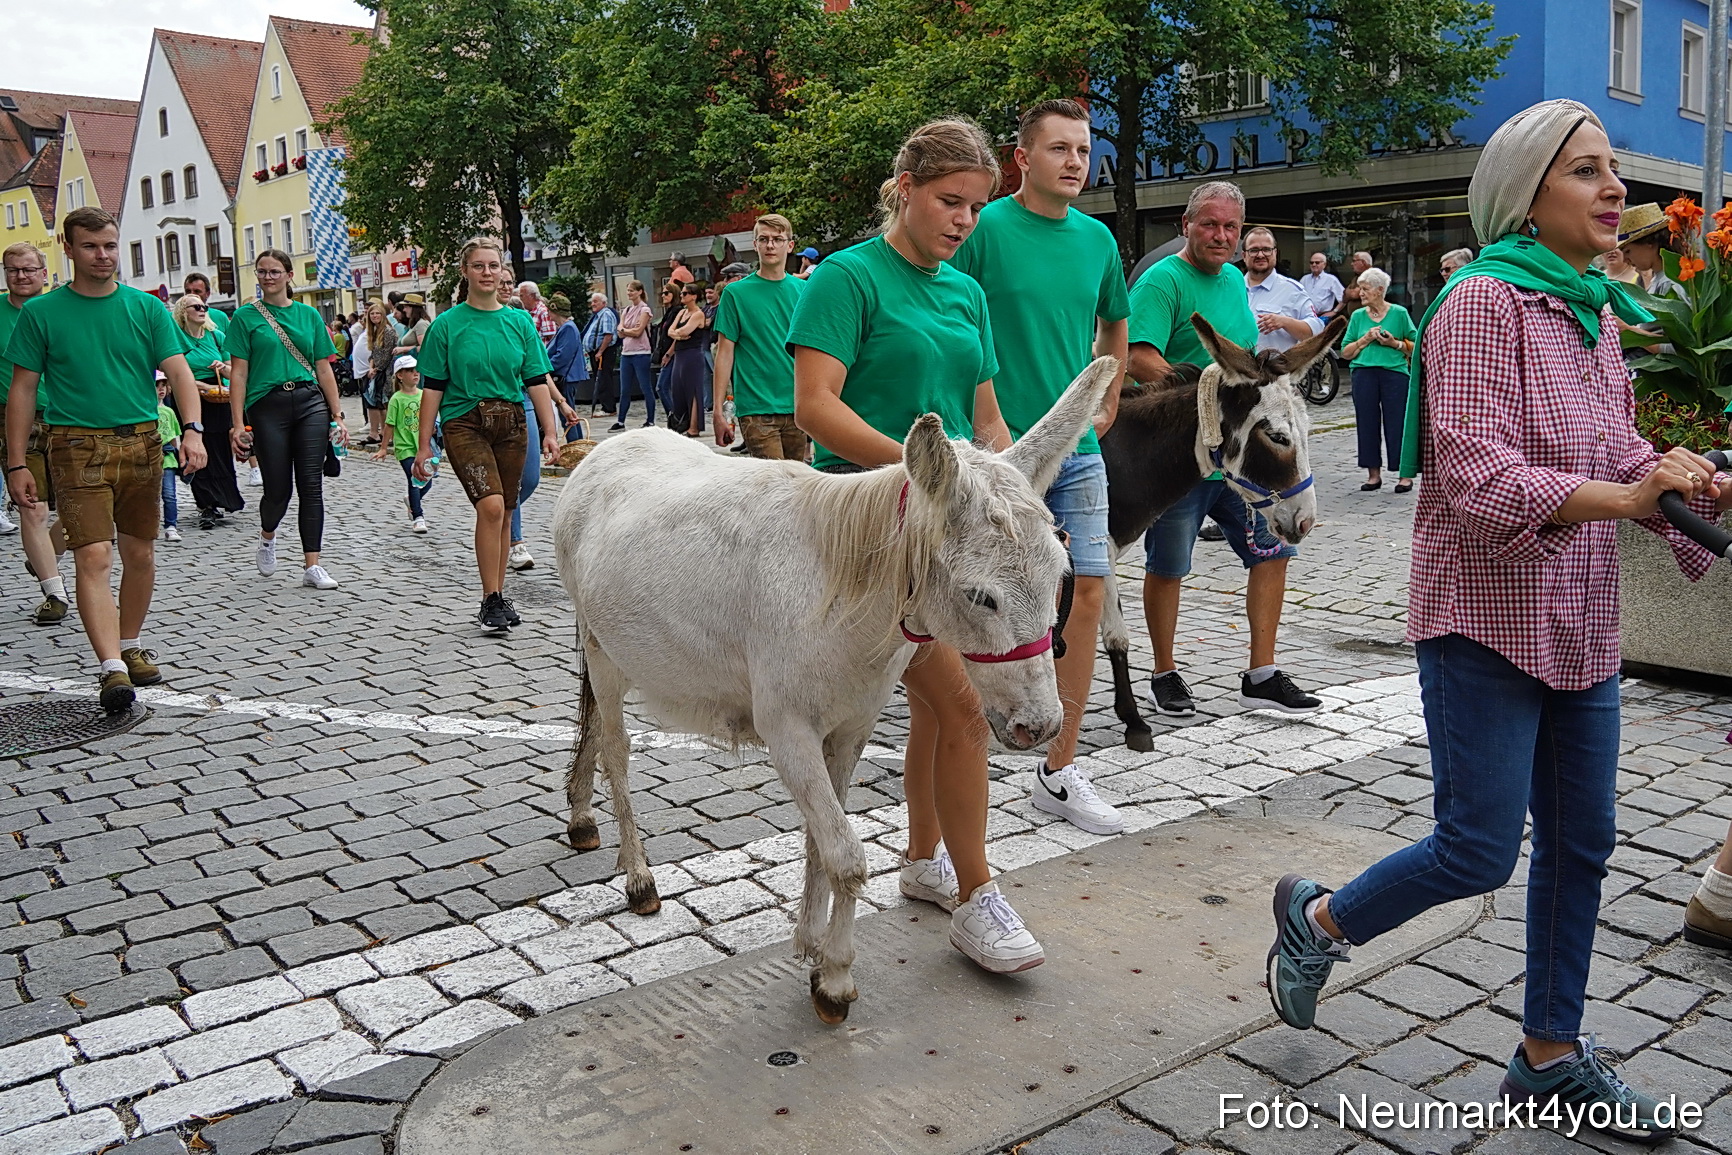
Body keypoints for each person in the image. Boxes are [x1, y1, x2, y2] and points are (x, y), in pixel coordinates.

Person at [1268, 100, 1732, 1141]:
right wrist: (1623, 497)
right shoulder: (1479, 304)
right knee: (1477, 848)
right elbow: (1475, 475)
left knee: (1583, 843)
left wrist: (1676, 476)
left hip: (1576, 616)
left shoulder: (1589, 308)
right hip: (1482, 617)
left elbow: (1611, 446)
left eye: (1613, 169)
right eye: (1587, 172)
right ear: (1526, 195)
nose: (1616, 189)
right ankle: (1318, 920)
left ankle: (1549, 1056)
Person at [790, 116, 1045, 974]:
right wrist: (922, 481)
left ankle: (923, 858)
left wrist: (999, 488)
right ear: (905, 189)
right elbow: (815, 408)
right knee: (966, 711)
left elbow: (984, 418)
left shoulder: (964, 292)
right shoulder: (847, 276)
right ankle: (976, 895)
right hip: (864, 529)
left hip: (952, 533)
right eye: (950, 201)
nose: (965, 220)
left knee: (939, 711)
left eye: (976, 206)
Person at [947, 98, 1130, 837]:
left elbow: (1114, 320)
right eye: (1059, 148)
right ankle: (966, 734)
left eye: (1083, 149)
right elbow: (948, 306)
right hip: (992, 454)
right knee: (976, 595)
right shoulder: (984, 228)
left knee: (1088, 589)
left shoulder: (1097, 241)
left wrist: (1109, 390)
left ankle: (1059, 766)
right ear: (1022, 157)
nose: (1076, 162)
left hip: (1077, 452)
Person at [1127, 181, 1321, 718]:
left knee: (1275, 552)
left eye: (1230, 227)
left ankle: (1261, 672)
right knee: (1169, 565)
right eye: (1209, 224)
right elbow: (1138, 358)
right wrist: (1207, 401)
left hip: (1241, 462)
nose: (1220, 235)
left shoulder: (1235, 279)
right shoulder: (1162, 281)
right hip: (1183, 461)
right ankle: (1165, 672)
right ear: (1185, 226)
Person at [5, 206, 207, 711]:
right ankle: (111, 666)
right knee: (94, 555)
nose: (103, 255)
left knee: (140, 555)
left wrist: (192, 430)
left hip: (140, 443)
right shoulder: (42, 313)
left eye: (111, 245)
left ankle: (131, 642)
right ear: (68, 250)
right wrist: (16, 463)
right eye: (92, 246)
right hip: (75, 446)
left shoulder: (146, 308)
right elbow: (23, 390)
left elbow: (180, 373)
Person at [413, 238, 560, 630]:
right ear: (465, 272)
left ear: (502, 272)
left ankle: (496, 597)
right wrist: (424, 443)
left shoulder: (518, 322)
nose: (487, 273)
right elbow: (433, 388)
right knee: (491, 506)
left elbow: (535, 380)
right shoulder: (447, 324)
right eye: (478, 266)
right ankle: (489, 597)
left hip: (511, 421)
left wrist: (550, 430)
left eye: (493, 266)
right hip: (465, 421)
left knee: (508, 509)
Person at [226, 248, 347, 591]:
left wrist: (337, 416)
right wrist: (237, 423)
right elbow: (239, 373)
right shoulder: (245, 318)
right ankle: (267, 536)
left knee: (311, 484)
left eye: (275, 271)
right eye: (262, 272)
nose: (268, 277)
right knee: (278, 488)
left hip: (310, 401)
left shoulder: (309, 316)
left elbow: (324, 368)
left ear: (289, 275)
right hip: (267, 404)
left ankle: (313, 564)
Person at [0, 242, 69, 626]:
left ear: (45, 273)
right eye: (13, 270)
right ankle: (54, 593)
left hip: (68, 414)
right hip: (16, 419)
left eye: (28, 269)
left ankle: (44, 554)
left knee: (91, 509)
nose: (21, 276)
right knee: (34, 505)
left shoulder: (62, 309)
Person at [712, 215, 807, 457]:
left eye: (777, 239)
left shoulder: (805, 291)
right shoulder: (735, 293)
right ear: (755, 245)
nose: (770, 245)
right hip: (757, 409)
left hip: (798, 406)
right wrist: (718, 411)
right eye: (763, 239)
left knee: (796, 487)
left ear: (790, 245)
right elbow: (724, 353)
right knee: (775, 486)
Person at [1341, 267, 1416, 493]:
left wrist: (1394, 344)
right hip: (1364, 374)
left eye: (1365, 289)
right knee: (1367, 423)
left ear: (1380, 290)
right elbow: (1345, 352)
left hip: (1395, 373)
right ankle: (1373, 474)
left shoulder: (1400, 313)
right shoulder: (1357, 316)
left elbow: (1416, 346)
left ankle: (1404, 475)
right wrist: (1364, 340)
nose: (1360, 293)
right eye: (1359, 289)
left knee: (1398, 424)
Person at [171, 294, 241, 530]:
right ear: (183, 312)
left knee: (219, 449)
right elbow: (173, 373)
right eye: (197, 307)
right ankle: (206, 504)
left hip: (218, 398)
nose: (203, 310)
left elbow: (236, 373)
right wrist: (201, 386)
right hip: (189, 397)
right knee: (196, 449)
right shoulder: (176, 339)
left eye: (205, 307)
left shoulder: (215, 336)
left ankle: (223, 498)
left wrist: (223, 367)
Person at [371, 354, 431, 534]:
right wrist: (383, 448)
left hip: (422, 446)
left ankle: (412, 500)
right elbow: (390, 425)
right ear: (400, 375)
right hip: (405, 448)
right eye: (410, 371)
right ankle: (418, 517)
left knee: (427, 482)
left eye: (416, 370)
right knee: (415, 480)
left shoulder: (424, 395)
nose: (415, 374)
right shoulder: (397, 399)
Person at [1242, 227, 1324, 353]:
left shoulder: (1293, 290)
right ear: (1244, 255)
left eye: (1266, 249)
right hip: (1234, 370)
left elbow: (1316, 334)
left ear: (1275, 253)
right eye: (1253, 250)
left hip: (1275, 370)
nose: (1260, 255)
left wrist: (1284, 322)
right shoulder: (1232, 287)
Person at [665, 283, 709, 436]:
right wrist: (677, 335)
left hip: (693, 355)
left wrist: (677, 333)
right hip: (680, 354)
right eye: (682, 293)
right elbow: (671, 330)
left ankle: (694, 426)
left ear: (694, 296)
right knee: (677, 387)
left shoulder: (698, 314)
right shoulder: (682, 312)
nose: (682, 296)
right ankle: (682, 421)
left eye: (685, 293)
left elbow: (685, 330)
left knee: (693, 389)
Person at [612, 281, 655, 430]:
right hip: (627, 352)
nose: (629, 293)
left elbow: (638, 331)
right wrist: (626, 330)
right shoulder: (626, 310)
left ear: (640, 292)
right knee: (625, 389)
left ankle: (650, 419)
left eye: (632, 291)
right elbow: (619, 331)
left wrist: (625, 330)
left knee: (645, 386)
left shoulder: (645, 309)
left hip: (641, 352)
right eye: (628, 290)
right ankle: (621, 420)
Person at [548, 293, 588, 438]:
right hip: (567, 376)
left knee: (567, 414)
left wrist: (546, 368)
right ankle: (576, 444)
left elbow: (563, 356)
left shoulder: (568, 328)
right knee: (569, 411)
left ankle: (574, 445)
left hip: (567, 377)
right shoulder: (566, 327)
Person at [1618, 203, 1678, 299]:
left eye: (1628, 251)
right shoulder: (1660, 278)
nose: (1625, 260)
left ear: (1649, 243)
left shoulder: (1669, 283)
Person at [155, 374, 182, 543]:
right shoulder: (145, 411)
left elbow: (174, 436)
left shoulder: (169, 411)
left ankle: (171, 526)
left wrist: (178, 454)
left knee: (170, 495)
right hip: (149, 459)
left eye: (164, 385)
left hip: (168, 460)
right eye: (157, 386)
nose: (161, 389)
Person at [582, 291, 619, 416]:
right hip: (597, 352)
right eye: (592, 301)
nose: (592, 304)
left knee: (604, 379)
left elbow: (608, 335)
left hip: (604, 352)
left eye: (595, 301)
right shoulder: (598, 315)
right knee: (601, 378)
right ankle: (605, 406)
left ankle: (608, 408)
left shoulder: (606, 314)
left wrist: (600, 351)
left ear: (603, 303)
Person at [1300, 252, 1345, 321]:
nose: (1314, 265)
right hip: (1306, 317)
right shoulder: (1304, 279)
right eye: (1311, 263)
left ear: (1324, 264)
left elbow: (1344, 298)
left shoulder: (1331, 279)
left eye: (1317, 262)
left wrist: (1334, 312)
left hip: (1323, 317)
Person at [519, 281, 557, 348]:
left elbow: (552, 339)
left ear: (532, 296)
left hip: (542, 355)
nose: (520, 299)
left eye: (522, 296)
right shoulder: (527, 312)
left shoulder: (543, 312)